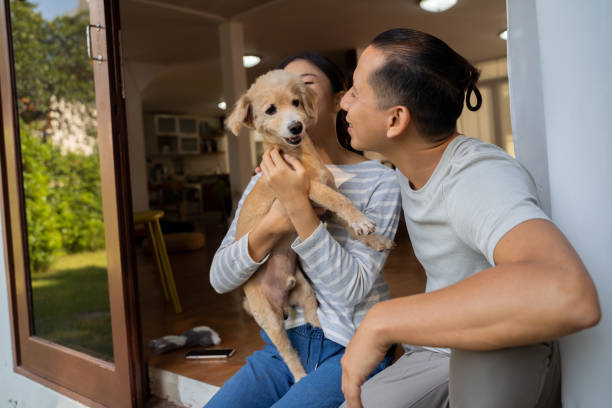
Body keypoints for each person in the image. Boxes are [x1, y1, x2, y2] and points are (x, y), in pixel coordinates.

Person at [336, 28, 601, 408]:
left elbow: (569, 294)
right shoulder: (409, 165)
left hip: (496, 354)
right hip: (437, 352)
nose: (344, 102)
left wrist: (383, 320)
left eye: (356, 91)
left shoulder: (477, 175)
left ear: (395, 120)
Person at [205, 52, 402, 408]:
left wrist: (297, 205)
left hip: (351, 344)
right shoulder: (263, 179)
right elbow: (220, 278)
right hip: (284, 346)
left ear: (339, 100)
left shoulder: (380, 181)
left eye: (300, 91)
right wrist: (273, 223)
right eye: (274, 104)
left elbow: (349, 292)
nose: (290, 107)